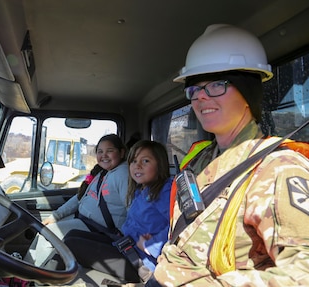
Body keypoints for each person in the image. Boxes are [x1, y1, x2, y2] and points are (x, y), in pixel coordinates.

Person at [146, 24, 309, 286]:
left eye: (216, 85)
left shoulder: (278, 167)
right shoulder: (201, 159)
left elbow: (303, 272)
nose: (200, 97)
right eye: (194, 89)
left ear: (248, 93)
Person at [63, 140, 172, 283]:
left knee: (72, 245)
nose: (137, 166)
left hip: (141, 264)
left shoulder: (166, 191)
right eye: (133, 161)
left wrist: (152, 245)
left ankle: (40, 280)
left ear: (160, 164)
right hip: (126, 247)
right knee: (71, 235)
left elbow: (179, 226)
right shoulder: (142, 190)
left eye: (145, 161)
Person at [25, 134, 129, 267]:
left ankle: (24, 277)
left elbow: (132, 209)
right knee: (44, 229)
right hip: (84, 221)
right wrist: (56, 216)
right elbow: (80, 197)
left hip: (101, 231)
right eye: (100, 151)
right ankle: (28, 271)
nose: (104, 155)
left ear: (121, 152)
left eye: (110, 151)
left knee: (47, 235)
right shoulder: (102, 173)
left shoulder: (122, 174)